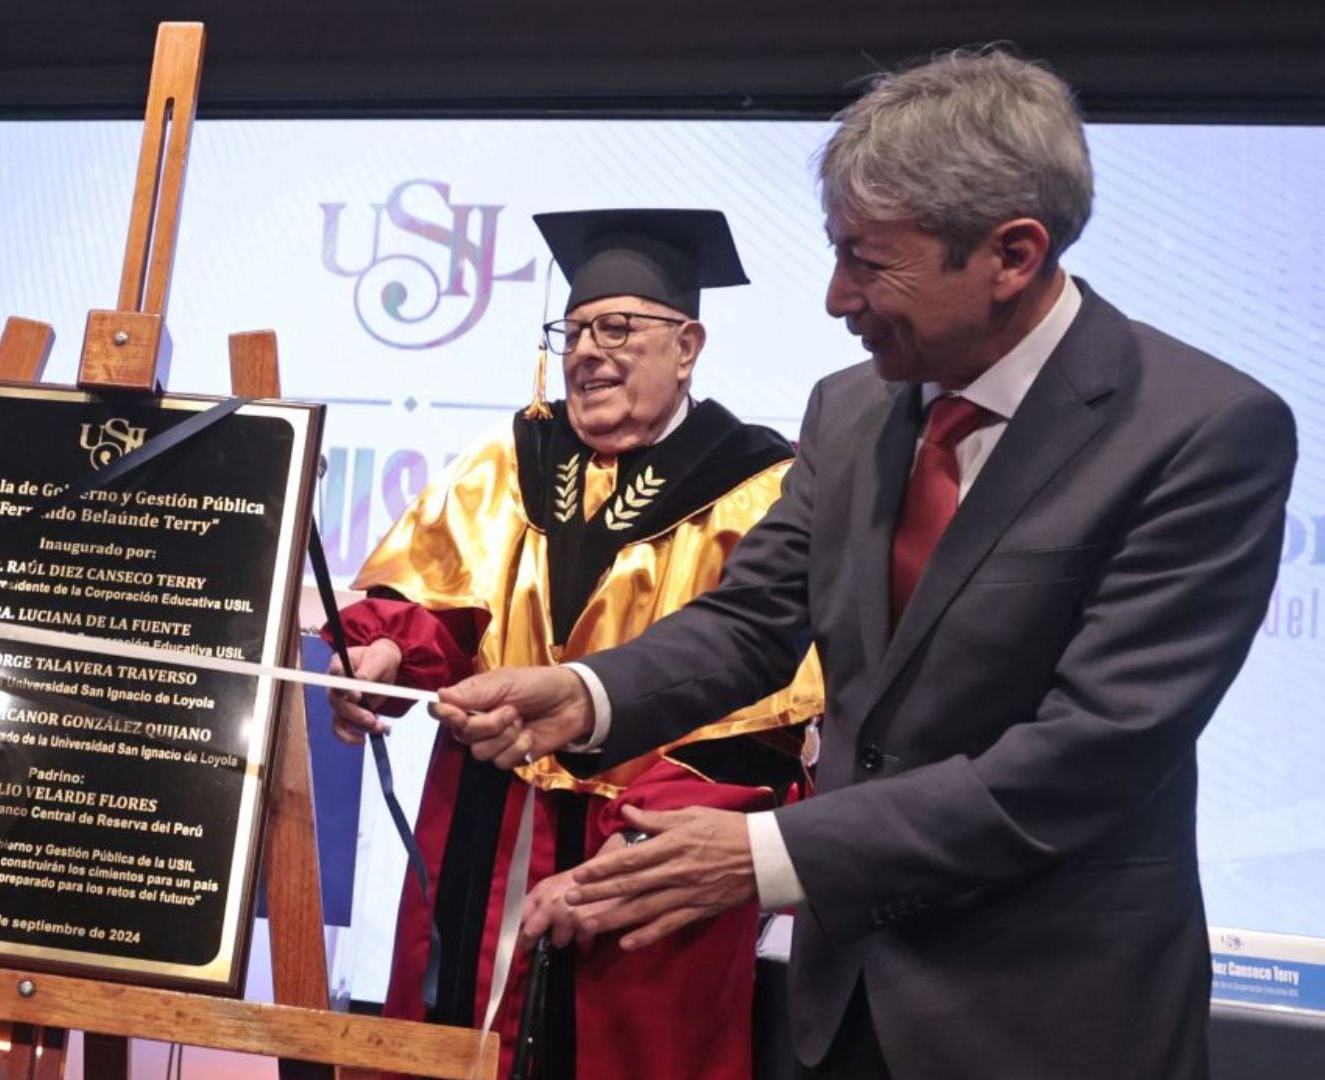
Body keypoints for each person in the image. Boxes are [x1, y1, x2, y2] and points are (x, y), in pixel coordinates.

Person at [436, 49, 1298, 1080]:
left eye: (870, 261)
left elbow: (1085, 759)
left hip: (1052, 1019)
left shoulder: (1203, 433)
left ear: (1013, 254)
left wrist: (766, 858)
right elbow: (754, 622)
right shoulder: (849, 409)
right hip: (841, 1010)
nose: (838, 297)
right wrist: (582, 695)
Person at [326, 209, 822, 1078]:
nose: (588, 351)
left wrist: (641, 843)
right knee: (446, 1038)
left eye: (618, 328)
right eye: (576, 330)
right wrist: (386, 653)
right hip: (485, 818)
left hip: (647, 841)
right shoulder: (511, 459)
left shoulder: (758, 485)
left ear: (688, 344)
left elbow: (765, 715)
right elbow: (438, 601)